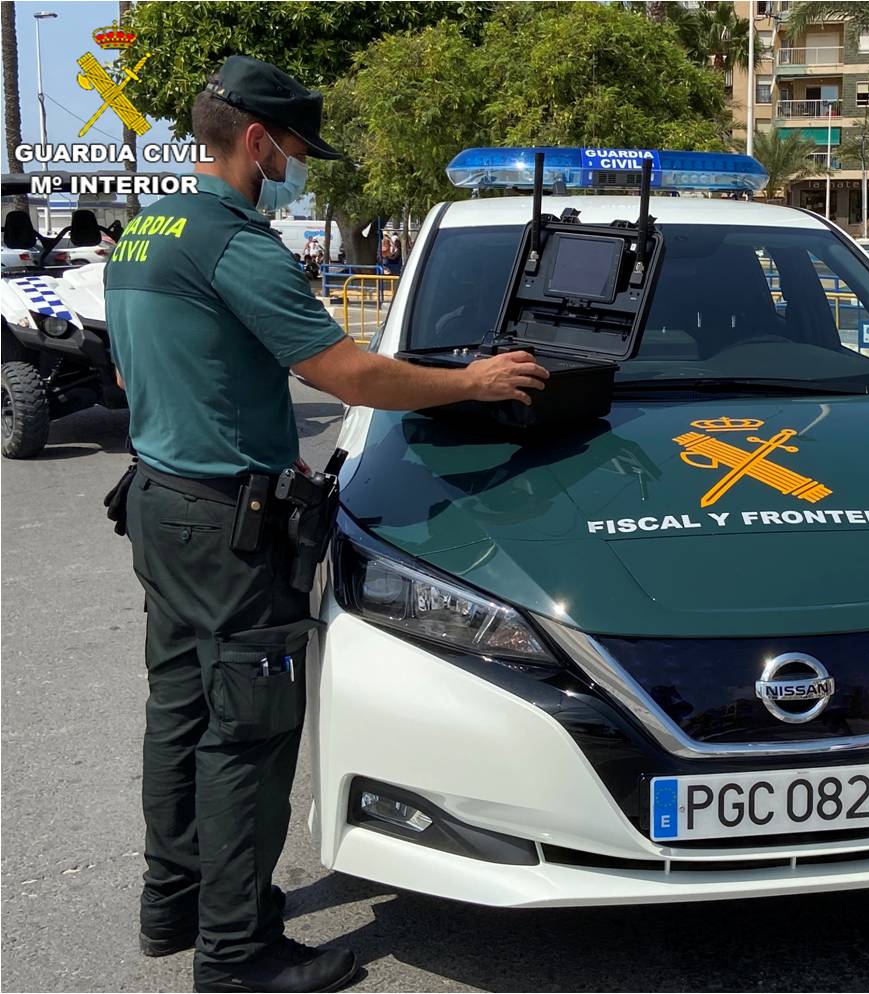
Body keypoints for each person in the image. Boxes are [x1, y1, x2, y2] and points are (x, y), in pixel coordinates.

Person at [103, 55, 549, 993]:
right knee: (248, 732)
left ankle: (170, 905)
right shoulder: (235, 241)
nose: (300, 166)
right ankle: (237, 952)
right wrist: (472, 380)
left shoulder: (145, 233)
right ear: (257, 140)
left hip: (159, 502)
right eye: (297, 148)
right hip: (226, 522)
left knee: (179, 709)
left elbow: (134, 373)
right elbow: (346, 373)